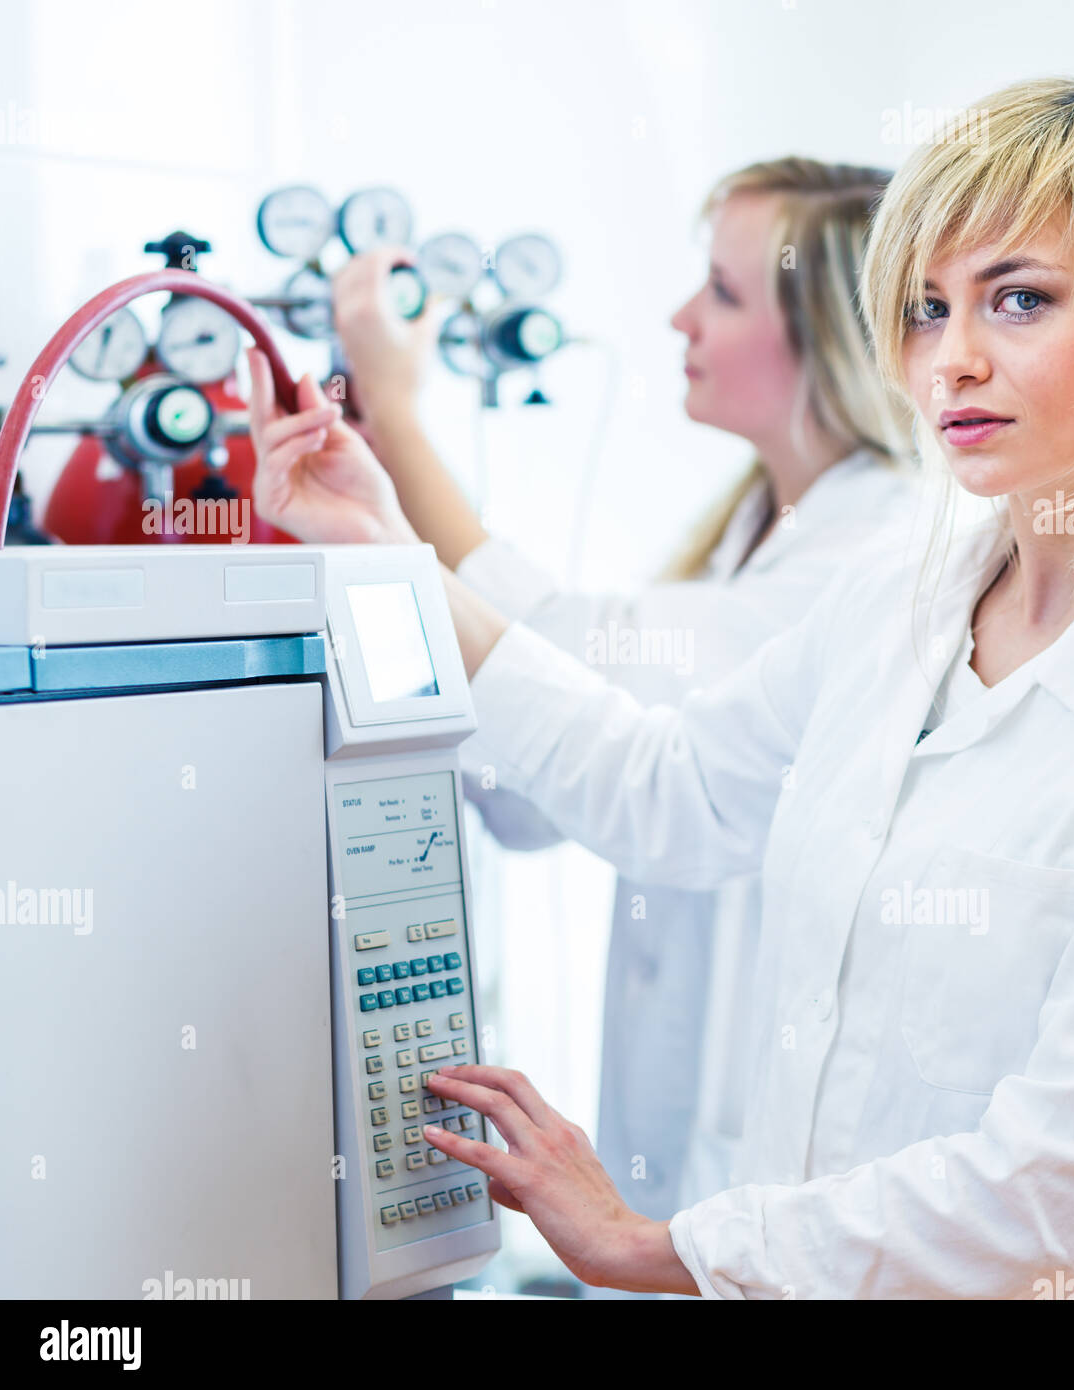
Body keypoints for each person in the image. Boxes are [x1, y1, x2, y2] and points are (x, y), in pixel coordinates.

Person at [250, 76, 1074, 1298]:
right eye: (922, 307)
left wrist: (655, 1248)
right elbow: (670, 791)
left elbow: (1057, 1197)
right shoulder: (901, 600)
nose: (950, 360)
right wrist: (395, 554)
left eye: (1018, 300)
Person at [255, 158, 923, 1261]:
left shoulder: (873, 549)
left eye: (720, 290)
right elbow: (551, 776)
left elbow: (568, 665)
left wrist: (401, 418)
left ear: (828, 335)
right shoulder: (750, 539)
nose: (677, 316)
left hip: (765, 1173)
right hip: (675, 1148)